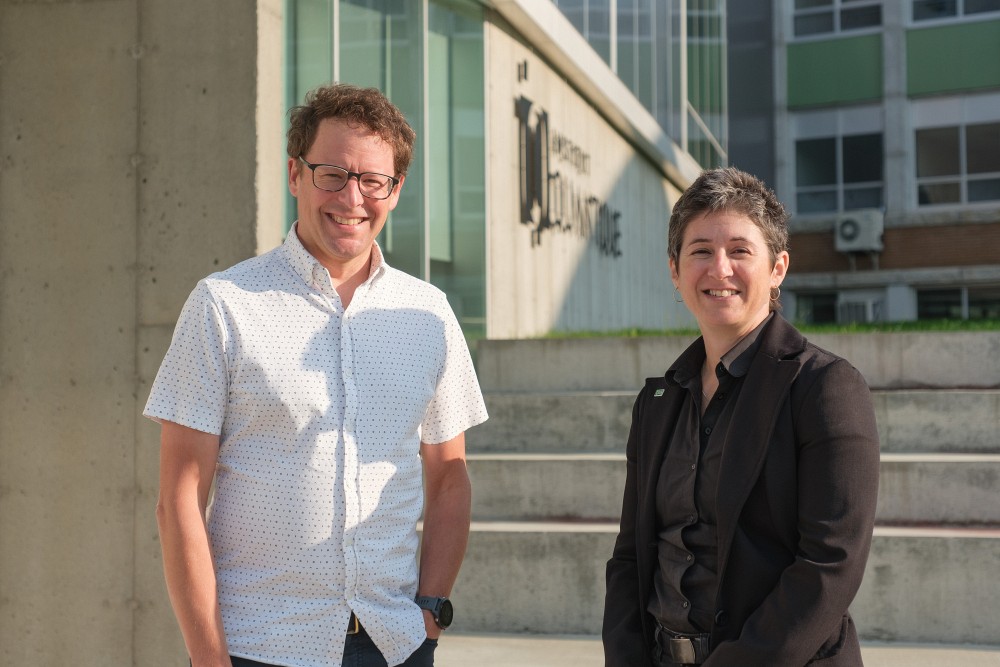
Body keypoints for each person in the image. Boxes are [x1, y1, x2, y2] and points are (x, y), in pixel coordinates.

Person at [146, 83, 488, 667]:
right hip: (261, 646)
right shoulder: (224, 305)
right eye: (332, 173)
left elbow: (449, 479)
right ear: (294, 175)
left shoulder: (429, 314)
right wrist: (209, 659)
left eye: (373, 180)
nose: (352, 196)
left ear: (395, 191)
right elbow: (179, 497)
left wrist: (430, 613)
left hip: (395, 643)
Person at [603, 167, 880, 666]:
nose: (720, 269)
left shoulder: (825, 388)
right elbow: (631, 557)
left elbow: (828, 566)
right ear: (675, 270)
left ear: (778, 268)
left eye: (740, 251)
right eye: (701, 251)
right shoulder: (658, 401)